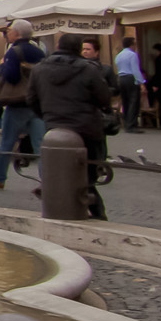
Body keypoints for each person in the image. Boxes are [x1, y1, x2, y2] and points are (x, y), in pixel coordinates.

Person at [33, 33, 118, 219]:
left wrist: (49, 116)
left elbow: (31, 99)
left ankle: (56, 194)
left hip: (54, 125)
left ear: (58, 45)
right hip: (86, 126)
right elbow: (104, 98)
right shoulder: (89, 69)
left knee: (58, 164)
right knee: (88, 170)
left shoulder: (39, 69)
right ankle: (94, 207)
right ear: (79, 49)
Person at [0, 19, 48, 190]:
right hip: (36, 103)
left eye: (9, 30)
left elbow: (11, 76)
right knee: (41, 144)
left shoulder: (14, 52)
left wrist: (2, 67)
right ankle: (48, 180)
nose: (7, 33)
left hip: (17, 103)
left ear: (17, 33)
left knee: (7, 142)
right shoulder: (39, 52)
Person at [113, 38, 144, 133]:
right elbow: (135, 69)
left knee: (125, 101)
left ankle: (127, 123)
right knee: (134, 101)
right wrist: (141, 82)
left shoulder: (118, 55)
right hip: (131, 78)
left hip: (121, 78)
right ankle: (132, 124)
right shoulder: (133, 55)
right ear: (132, 45)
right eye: (135, 44)